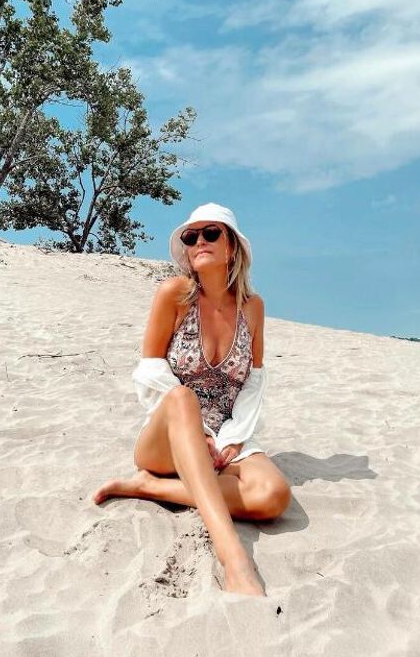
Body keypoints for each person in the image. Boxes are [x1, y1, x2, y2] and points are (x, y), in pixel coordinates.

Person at [92, 202, 291, 596]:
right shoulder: (175, 294)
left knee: (274, 496)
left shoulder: (253, 307)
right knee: (183, 396)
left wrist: (233, 437)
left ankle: (150, 489)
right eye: (191, 236)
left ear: (232, 246)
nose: (199, 241)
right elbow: (150, 370)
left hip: (229, 434)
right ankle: (233, 557)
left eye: (211, 233)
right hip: (169, 435)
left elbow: (253, 379)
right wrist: (198, 432)